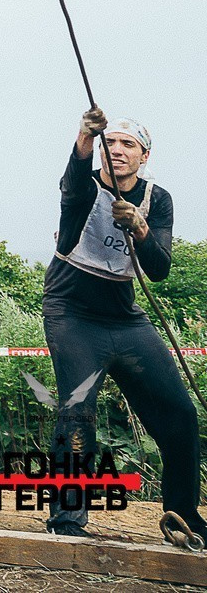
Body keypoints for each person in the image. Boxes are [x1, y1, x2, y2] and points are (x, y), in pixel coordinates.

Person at [41, 107, 204, 545]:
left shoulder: (158, 197)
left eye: (127, 144)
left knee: (180, 414)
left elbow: (160, 269)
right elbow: (72, 188)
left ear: (143, 156)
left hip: (124, 318)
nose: (116, 150)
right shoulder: (84, 183)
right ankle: (68, 519)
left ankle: (182, 514)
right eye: (109, 142)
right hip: (71, 311)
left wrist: (141, 227)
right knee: (78, 409)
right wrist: (82, 139)